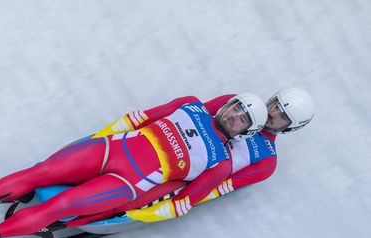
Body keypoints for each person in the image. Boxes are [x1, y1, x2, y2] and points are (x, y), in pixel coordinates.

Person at [0, 93, 268, 238]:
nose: (233, 115)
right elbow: (138, 118)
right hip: (112, 149)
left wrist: (140, 215)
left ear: (246, 132)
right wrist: (99, 137)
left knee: (60, 206)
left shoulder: (220, 163)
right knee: (41, 172)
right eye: (235, 107)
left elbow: (183, 202)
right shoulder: (191, 105)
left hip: (127, 183)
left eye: (241, 118)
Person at [110, 87, 315, 223]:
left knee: (129, 196)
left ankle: (113, 209)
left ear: (290, 128)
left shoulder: (267, 161)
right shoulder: (238, 104)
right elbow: (191, 114)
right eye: (276, 106)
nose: (273, 114)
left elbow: (218, 188)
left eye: (283, 117)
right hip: (168, 146)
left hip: (184, 177)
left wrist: (177, 203)